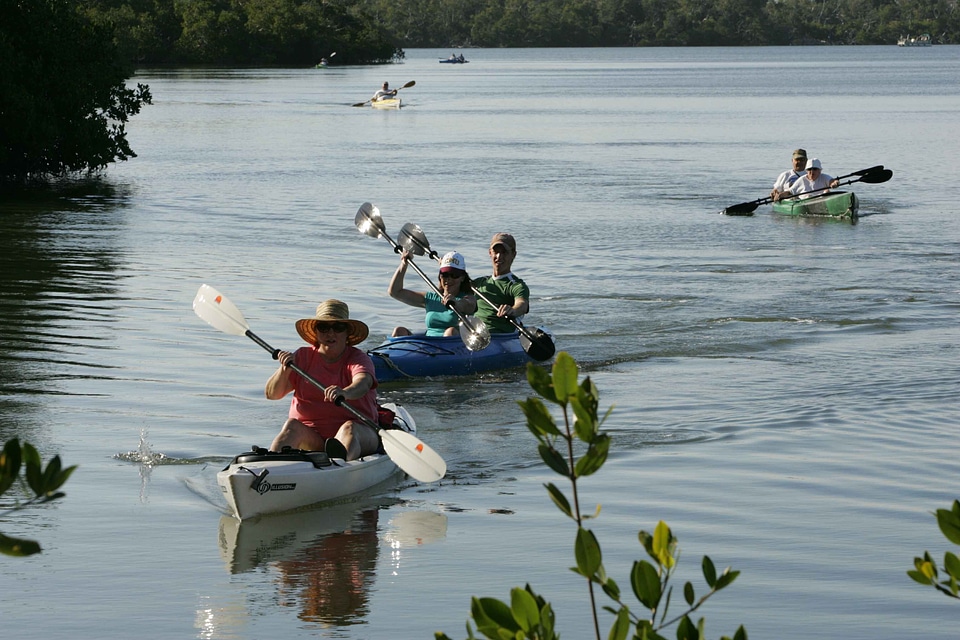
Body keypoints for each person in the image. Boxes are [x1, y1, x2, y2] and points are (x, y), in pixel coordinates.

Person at [265, 299, 380, 460]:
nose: (330, 333)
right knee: (291, 426)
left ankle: (341, 466)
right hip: (314, 438)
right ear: (316, 332)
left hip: (360, 431)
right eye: (324, 327)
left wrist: (344, 392)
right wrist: (284, 370)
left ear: (347, 333)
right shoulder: (301, 357)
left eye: (338, 327)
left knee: (349, 429)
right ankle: (271, 466)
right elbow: (272, 394)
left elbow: (363, 383)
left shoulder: (358, 358)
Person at [388, 251, 477, 337]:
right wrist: (404, 264)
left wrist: (455, 303)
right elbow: (395, 292)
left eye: (454, 275)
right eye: (445, 274)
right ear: (440, 276)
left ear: (462, 278)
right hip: (429, 346)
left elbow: (470, 306)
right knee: (399, 331)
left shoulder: (468, 298)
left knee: (450, 331)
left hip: (452, 344)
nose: (448, 279)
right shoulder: (431, 298)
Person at [471, 233, 530, 334]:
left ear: (513, 254)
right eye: (496, 252)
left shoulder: (516, 285)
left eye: (504, 252)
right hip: (473, 335)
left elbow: (522, 304)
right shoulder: (478, 283)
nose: (499, 256)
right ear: (490, 252)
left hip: (500, 338)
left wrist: (513, 310)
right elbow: (454, 283)